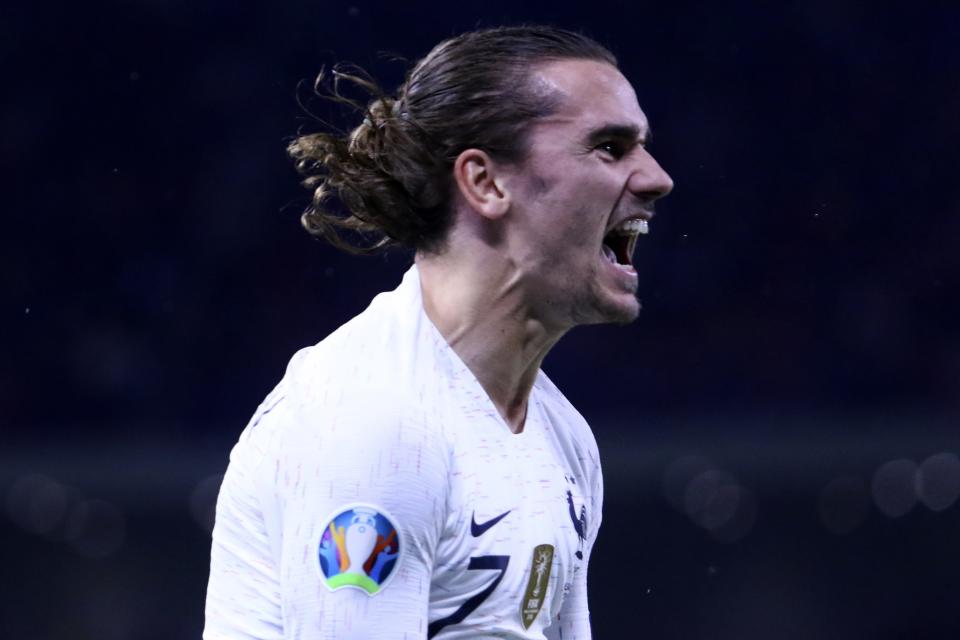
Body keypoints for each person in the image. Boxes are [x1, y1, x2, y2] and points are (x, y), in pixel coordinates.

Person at [204, 25, 673, 639]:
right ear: (484, 182)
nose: (656, 177)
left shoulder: (563, 439)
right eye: (610, 148)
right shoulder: (379, 423)